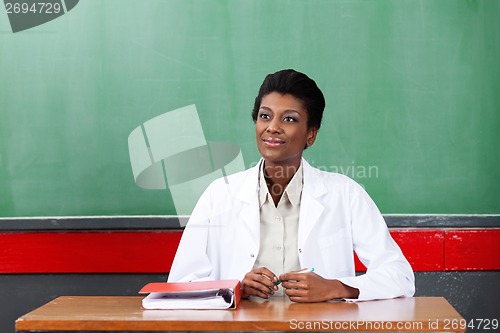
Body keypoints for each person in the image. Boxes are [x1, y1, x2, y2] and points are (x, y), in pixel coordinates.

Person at [167, 69, 415, 302]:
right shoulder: (219, 194)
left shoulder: (345, 194)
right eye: (265, 116)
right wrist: (235, 288)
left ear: (311, 134)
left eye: (289, 118)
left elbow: (400, 276)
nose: (272, 127)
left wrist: (336, 287)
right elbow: (180, 283)